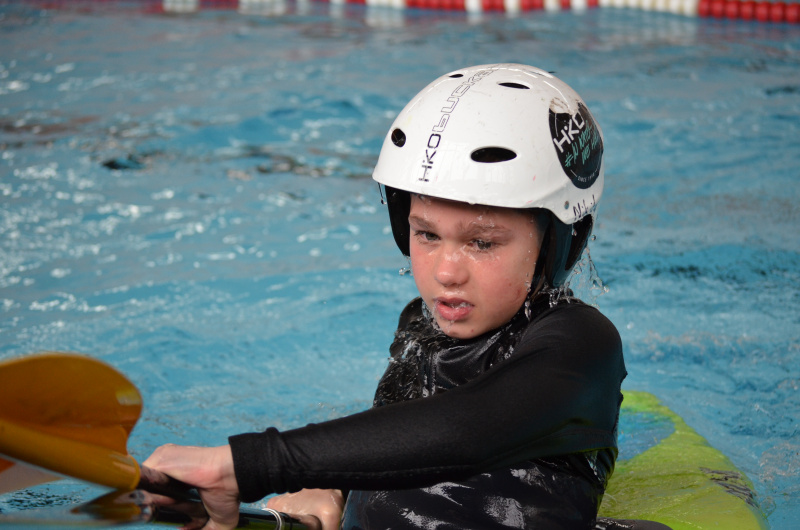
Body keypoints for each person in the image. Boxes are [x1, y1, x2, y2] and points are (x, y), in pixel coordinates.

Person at [144, 63, 629, 530]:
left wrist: (253, 465)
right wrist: (333, 489)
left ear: (561, 243)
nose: (445, 272)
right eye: (426, 234)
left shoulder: (582, 345)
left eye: (482, 243)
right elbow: (399, 440)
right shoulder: (420, 327)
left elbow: (468, 429)